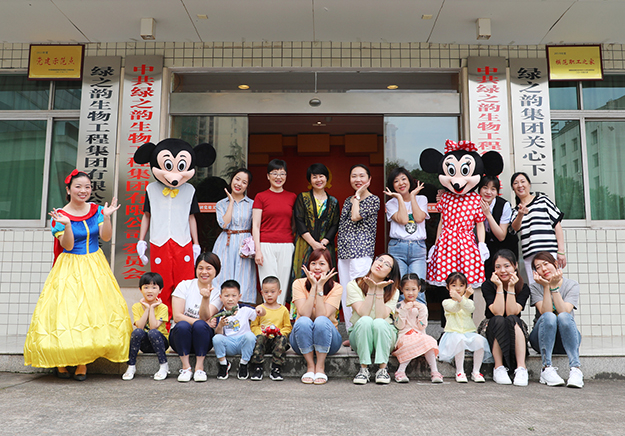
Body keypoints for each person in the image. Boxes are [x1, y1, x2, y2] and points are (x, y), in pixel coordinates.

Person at [24, 170, 132, 381]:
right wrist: (66, 225)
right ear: (68, 189)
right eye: (78, 186)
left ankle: (83, 362)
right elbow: (68, 245)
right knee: (67, 311)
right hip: (70, 265)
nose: (84, 190)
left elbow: (106, 237)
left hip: (94, 264)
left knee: (91, 311)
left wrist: (107, 217)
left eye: (87, 187)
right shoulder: (59, 215)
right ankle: (61, 362)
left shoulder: (97, 210)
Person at [529, 252, 583, 388]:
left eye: (546, 264)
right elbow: (545, 311)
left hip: (566, 339)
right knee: (549, 316)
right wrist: (546, 286)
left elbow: (564, 310)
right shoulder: (535, 286)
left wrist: (554, 287)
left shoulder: (571, 285)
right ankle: (546, 368)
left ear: (555, 264)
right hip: (541, 339)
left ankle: (575, 369)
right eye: (538, 267)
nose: (543, 269)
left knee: (564, 316)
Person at [290, 248, 343, 385]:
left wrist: (320, 287)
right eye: (313, 263)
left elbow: (321, 316)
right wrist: (313, 286)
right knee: (303, 321)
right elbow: (305, 314)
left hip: (330, 341)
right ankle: (310, 366)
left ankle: (320, 367)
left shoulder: (337, 288)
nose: (317, 267)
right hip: (301, 339)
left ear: (329, 267)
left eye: (322, 264)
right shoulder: (298, 283)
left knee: (321, 321)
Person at [337, 164, 380, 329]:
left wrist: (357, 196)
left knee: (360, 291)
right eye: (354, 176)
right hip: (344, 251)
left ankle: (362, 330)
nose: (358, 179)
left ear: (369, 179)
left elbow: (355, 216)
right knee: (346, 292)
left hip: (361, 251)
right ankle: (351, 331)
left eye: (362, 176)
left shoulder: (373, 199)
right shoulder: (348, 200)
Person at [347, 253, 400, 385]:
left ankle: (382, 369)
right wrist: (372, 289)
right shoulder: (354, 284)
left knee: (379, 322)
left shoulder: (394, 291)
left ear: (389, 274)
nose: (380, 264)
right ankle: (363, 369)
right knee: (365, 320)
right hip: (359, 334)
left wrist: (380, 290)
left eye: (386, 264)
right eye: (379, 260)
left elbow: (381, 316)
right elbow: (363, 313)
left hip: (385, 335)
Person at [480, 249, 530, 386]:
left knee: (512, 319)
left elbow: (512, 312)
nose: (502, 270)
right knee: (499, 319)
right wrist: (499, 287)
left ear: (515, 266)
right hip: (492, 327)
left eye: (507, 266)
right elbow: (498, 312)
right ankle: (499, 368)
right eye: (498, 267)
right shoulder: (488, 285)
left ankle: (521, 368)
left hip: (515, 327)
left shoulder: (523, 287)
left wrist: (512, 287)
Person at [170, 252, 222, 383]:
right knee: (183, 325)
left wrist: (205, 298)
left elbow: (205, 316)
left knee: (200, 326)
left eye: (208, 268)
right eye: (200, 268)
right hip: (180, 338)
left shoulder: (217, 294)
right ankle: (186, 368)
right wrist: (202, 322)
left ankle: (199, 368)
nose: (204, 272)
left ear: (216, 271)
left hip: (203, 340)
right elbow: (177, 316)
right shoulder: (184, 286)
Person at [253, 159, 297, 305]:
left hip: (286, 244)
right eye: (275, 173)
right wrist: (258, 250)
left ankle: (280, 315)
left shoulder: (292, 197)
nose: (279, 177)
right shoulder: (260, 197)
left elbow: (295, 223)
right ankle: (268, 315)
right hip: (266, 244)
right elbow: (256, 225)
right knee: (268, 284)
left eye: (282, 173)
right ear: (268, 176)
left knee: (283, 284)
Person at [510, 172, 565, 285]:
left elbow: (557, 225)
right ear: (513, 188)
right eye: (516, 183)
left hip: (549, 251)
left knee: (555, 282)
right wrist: (520, 214)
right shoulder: (515, 211)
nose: (520, 185)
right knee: (535, 287)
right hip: (530, 255)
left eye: (523, 181)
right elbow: (515, 228)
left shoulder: (543, 200)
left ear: (529, 184)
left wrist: (561, 251)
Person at [384, 167, 429, 304]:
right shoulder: (391, 203)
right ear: (392, 186)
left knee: (418, 289)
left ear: (409, 181)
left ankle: (419, 318)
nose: (401, 183)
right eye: (396, 181)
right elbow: (403, 219)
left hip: (418, 247)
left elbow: (419, 218)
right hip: (398, 247)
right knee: (399, 289)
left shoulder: (421, 199)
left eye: (403, 179)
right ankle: (401, 317)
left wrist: (413, 197)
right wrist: (399, 198)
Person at [212, 168, 257, 304]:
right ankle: (219, 304)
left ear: (247, 186)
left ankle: (243, 306)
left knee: (244, 275)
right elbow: (224, 224)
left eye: (244, 182)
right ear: (231, 180)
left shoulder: (252, 204)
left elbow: (256, 226)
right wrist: (231, 202)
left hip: (244, 243)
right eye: (237, 179)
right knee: (223, 273)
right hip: (225, 241)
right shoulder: (221, 204)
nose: (239, 184)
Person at [292, 163, 340, 286]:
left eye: (321, 176)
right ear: (310, 180)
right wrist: (313, 243)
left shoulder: (333, 201)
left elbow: (335, 224)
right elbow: (299, 221)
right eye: (314, 177)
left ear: (326, 178)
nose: (318, 180)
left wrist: (323, 243)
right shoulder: (303, 197)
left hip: (325, 246)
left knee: (325, 278)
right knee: (302, 278)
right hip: (304, 244)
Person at [438, 272, 490, 383]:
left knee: (480, 341)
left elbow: (470, 308)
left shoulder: (469, 301)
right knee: (459, 340)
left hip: (468, 333)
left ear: (466, 287)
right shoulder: (446, 302)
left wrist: (463, 298)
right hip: (453, 334)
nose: (458, 288)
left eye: (461, 285)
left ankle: (476, 371)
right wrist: (463, 297)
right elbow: (455, 308)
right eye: (454, 285)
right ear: (447, 287)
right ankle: (460, 371)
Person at [212, 280, 265, 380]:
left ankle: (244, 364)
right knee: (216, 338)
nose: (230, 299)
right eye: (226, 296)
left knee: (250, 336)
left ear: (239, 296)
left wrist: (260, 309)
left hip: (243, 343)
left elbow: (261, 313)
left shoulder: (244, 309)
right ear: (221, 297)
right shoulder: (221, 314)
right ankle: (223, 364)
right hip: (229, 344)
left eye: (234, 296)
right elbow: (219, 334)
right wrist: (220, 325)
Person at [391, 274, 441, 383]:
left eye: (413, 289)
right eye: (407, 289)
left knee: (429, 341)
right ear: (401, 289)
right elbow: (399, 325)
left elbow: (422, 326)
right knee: (410, 341)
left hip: (419, 334)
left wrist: (421, 312)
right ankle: (400, 371)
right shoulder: (399, 306)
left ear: (419, 289)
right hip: (404, 335)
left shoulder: (422, 306)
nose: (410, 293)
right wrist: (404, 311)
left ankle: (435, 371)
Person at [122, 272, 170, 381]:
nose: (149, 291)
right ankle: (131, 366)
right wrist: (147, 308)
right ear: (140, 289)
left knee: (153, 332)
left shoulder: (163, 307)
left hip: (161, 342)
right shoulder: (136, 306)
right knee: (137, 332)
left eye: (154, 287)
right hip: (146, 344)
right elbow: (140, 326)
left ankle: (164, 366)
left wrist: (152, 308)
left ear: (160, 290)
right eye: (146, 287)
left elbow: (153, 327)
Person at [250, 276, 292, 381]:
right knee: (258, 339)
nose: (269, 295)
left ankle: (276, 368)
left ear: (279, 292)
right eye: (266, 292)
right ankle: (258, 367)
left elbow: (287, 327)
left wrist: (280, 332)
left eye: (273, 292)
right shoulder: (259, 309)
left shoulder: (283, 310)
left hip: (276, 341)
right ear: (262, 293)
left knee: (282, 339)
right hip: (263, 340)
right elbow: (254, 326)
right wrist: (261, 333)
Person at [478, 175, 519, 279]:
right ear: (479, 189)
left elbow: (501, 236)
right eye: (485, 188)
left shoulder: (504, 205)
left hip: (505, 246)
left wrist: (488, 214)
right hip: (487, 246)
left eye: (493, 189)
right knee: (488, 278)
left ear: (497, 192)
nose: (488, 192)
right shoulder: (474, 203)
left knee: (507, 277)